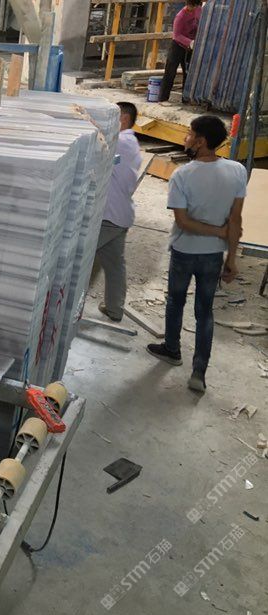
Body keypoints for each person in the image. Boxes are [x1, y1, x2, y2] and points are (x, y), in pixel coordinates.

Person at [146, 115, 246, 392]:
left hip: (184, 251)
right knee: (205, 312)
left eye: (190, 134)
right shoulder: (237, 171)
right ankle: (199, 373)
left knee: (175, 302)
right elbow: (235, 220)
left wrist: (218, 232)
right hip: (213, 255)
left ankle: (172, 349)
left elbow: (183, 222)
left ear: (201, 141)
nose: (186, 138)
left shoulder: (182, 175)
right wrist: (231, 257)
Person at [92, 101, 143, 321]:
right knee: (114, 264)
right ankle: (114, 309)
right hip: (120, 215)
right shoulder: (129, 142)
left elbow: (94, 141)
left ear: (123, 119)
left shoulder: (120, 141)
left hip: (109, 216)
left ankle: (68, 308)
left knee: (78, 259)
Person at [159, 0, 203, 104]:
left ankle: (186, 98)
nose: (193, 9)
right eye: (192, 7)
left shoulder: (199, 10)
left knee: (188, 73)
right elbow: (177, 35)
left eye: (195, 7)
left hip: (191, 47)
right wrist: (189, 42)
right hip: (177, 46)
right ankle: (163, 98)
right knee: (170, 72)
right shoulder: (180, 16)